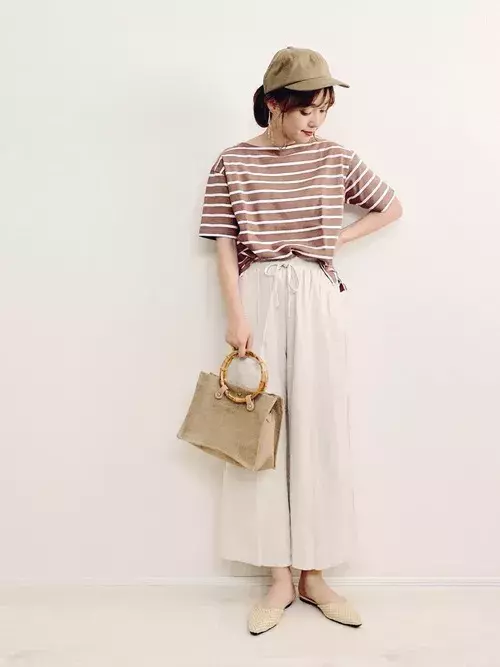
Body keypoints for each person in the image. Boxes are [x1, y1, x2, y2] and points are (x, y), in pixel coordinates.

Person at [198, 46, 403, 635]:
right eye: (307, 109)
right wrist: (236, 316)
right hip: (258, 289)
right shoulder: (232, 162)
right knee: (262, 430)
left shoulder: (335, 158)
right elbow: (223, 245)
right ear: (274, 104)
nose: (317, 121)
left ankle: (315, 574)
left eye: (323, 109)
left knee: (318, 426)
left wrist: (335, 241)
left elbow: (390, 207)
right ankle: (278, 577)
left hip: (315, 291)